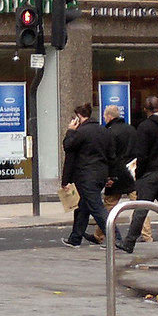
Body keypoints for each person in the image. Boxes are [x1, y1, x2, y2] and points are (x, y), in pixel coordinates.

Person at [61, 103, 122, 247]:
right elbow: (112, 156)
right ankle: (75, 238)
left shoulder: (81, 132)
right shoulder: (104, 131)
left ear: (78, 117)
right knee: (83, 207)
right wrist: (111, 176)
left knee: (96, 208)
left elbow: (68, 147)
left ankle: (116, 237)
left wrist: (70, 131)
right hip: (100, 175)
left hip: (86, 176)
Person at [94, 105, 150, 243]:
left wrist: (109, 176)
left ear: (109, 117)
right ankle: (147, 235)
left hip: (117, 174)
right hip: (132, 171)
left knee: (109, 204)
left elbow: (110, 156)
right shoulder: (131, 129)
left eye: (105, 117)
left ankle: (99, 234)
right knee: (140, 204)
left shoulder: (110, 132)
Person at [119, 96, 158, 253]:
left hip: (150, 173)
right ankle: (129, 242)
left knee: (141, 208)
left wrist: (139, 173)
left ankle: (129, 243)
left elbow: (142, 154)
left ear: (145, 109)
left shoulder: (145, 127)